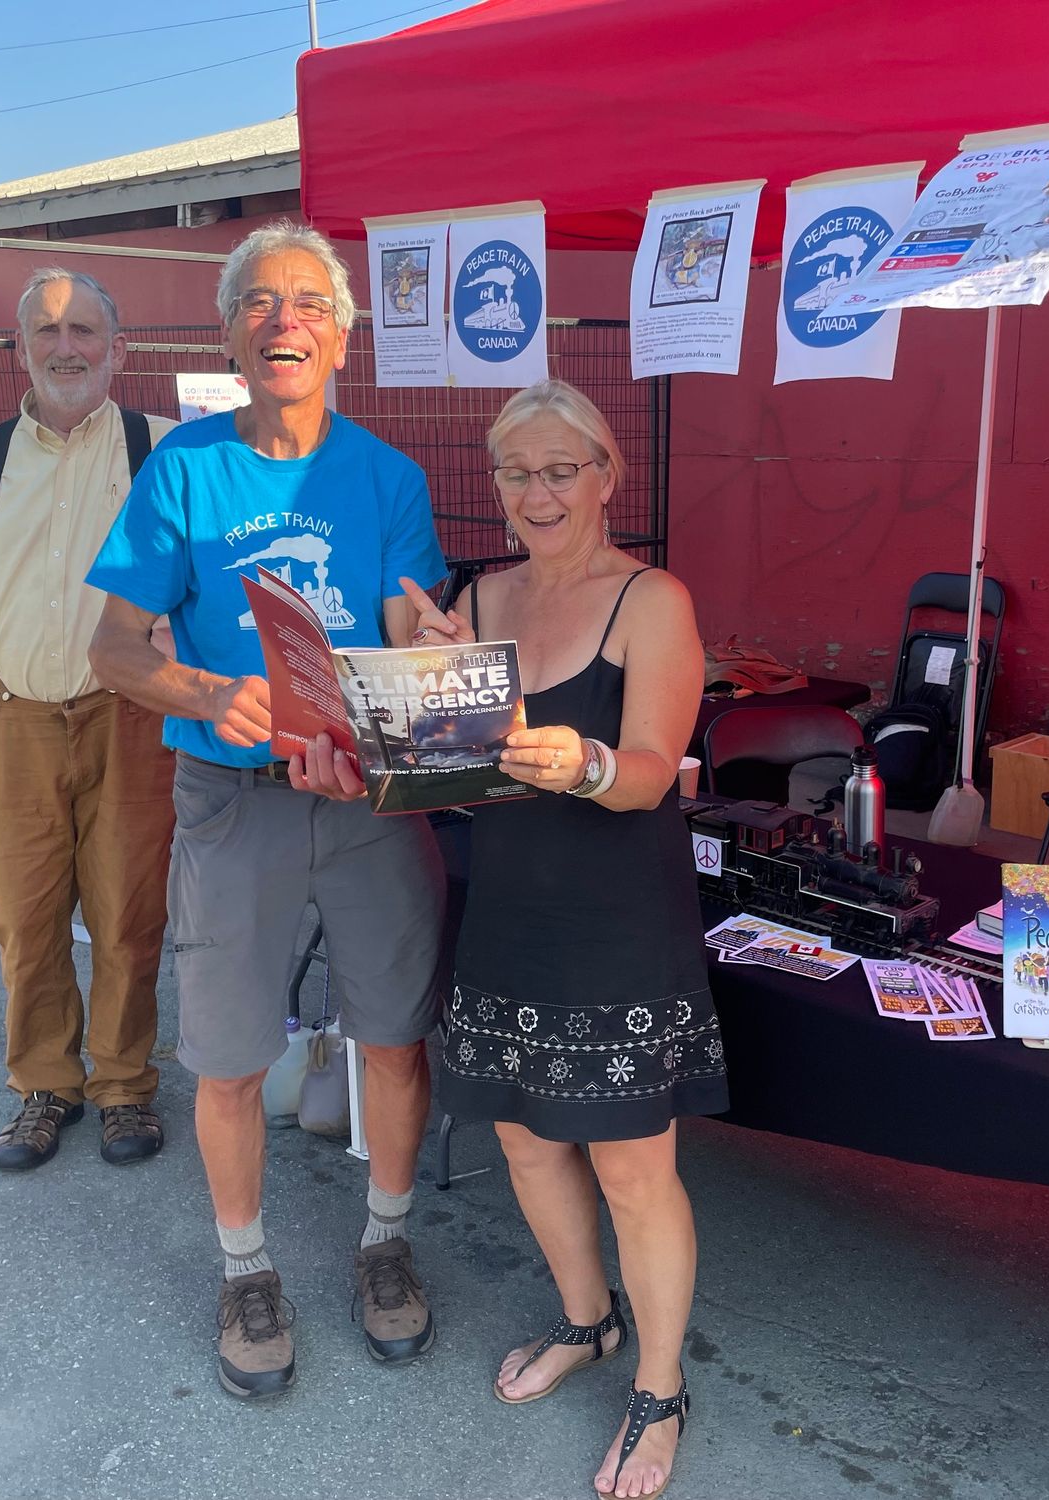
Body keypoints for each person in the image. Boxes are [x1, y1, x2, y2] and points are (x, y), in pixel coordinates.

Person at [85, 222, 449, 1400]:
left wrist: (432, 652)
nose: (281, 319)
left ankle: (384, 1242)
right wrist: (203, 690)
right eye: (257, 303)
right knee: (231, 1056)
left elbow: (406, 632)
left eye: (305, 302)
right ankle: (246, 1268)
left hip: (368, 807)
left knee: (393, 1036)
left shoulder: (389, 478)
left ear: (341, 335)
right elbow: (110, 647)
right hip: (231, 801)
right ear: (230, 335)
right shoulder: (183, 470)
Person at [407, 379, 724, 1500]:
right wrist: (421, 698)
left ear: (604, 476)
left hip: (616, 919)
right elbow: (452, 782)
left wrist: (577, 761)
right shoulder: (477, 599)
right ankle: (586, 1322)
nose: (536, 492)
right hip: (508, 909)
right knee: (528, 1141)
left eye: (558, 469)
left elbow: (647, 775)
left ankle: (659, 1387)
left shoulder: (650, 599)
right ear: (492, 488)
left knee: (634, 1166)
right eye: (514, 472)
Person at [0, 267, 176, 1173]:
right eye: (48, 332)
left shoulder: (165, 452)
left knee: (129, 913)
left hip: (133, 719)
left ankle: (125, 1085)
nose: (68, 348)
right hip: (7, 720)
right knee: (23, 919)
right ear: (18, 349)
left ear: (119, 347)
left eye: (86, 331)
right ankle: (44, 1083)